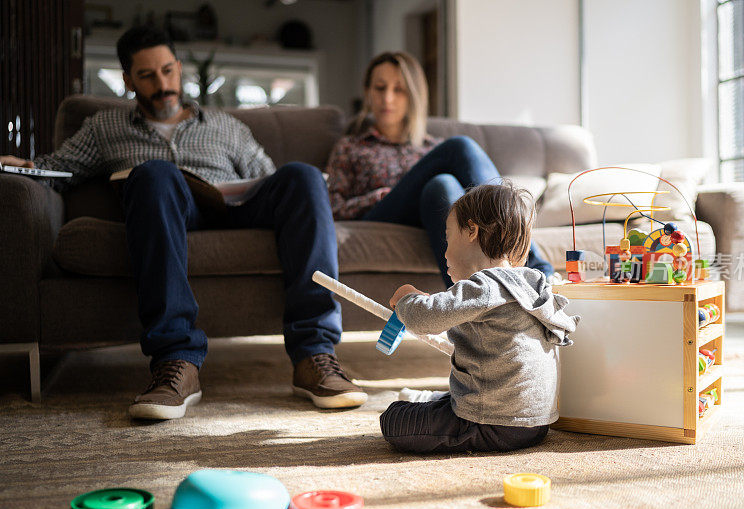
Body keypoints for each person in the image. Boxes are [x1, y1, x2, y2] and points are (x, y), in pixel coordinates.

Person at [0, 26, 366, 419]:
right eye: (147, 75)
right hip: (167, 210)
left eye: (168, 70)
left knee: (304, 177)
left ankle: (315, 355)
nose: (162, 84)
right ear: (128, 80)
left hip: (236, 208)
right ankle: (177, 362)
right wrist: (28, 168)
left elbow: (269, 177)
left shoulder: (225, 125)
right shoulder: (104, 127)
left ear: (178, 68)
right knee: (155, 173)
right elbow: (59, 169)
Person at [379, 182, 580, 453]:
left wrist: (407, 297)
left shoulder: (485, 285)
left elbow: (421, 319)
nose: (445, 251)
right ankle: (439, 402)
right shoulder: (530, 284)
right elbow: (443, 310)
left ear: (471, 231)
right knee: (441, 405)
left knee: (393, 419)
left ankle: (436, 407)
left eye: (448, 238)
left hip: (492, 424)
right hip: (536, 423)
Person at [325, 51, 553, 287]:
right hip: (383, 214)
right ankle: (533, 263)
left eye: (398, 90)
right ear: (368, 92)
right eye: (380, 88)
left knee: (441, 185)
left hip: (430, 213)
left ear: (414, 95)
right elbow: (332, 209)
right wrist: (378, 196)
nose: (387, 99)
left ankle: (465, 300)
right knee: (460, 146)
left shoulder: (430, 147)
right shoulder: (351, 146)